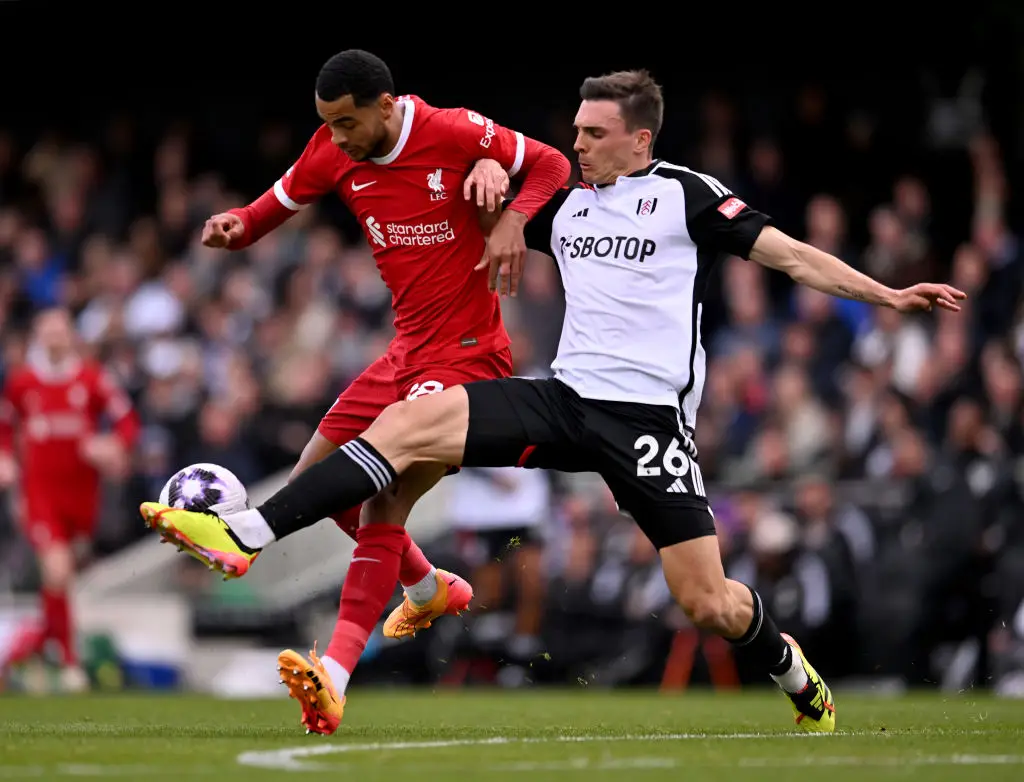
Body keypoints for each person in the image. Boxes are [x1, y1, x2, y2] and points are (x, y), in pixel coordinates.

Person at [142, 68, 967, 734]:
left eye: (594, 133)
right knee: (405, 427)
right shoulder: (565, 203)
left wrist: (886, 295)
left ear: (640, 139)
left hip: (647, 422)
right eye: (574, 129)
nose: (575, 143)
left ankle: (791, 670)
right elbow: (475, 192)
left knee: (706, 602)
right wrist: (492, 174)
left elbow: (789, 257)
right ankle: (249, 531)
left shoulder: (683, 195)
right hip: (566, 399)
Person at [146, 49, 569, 732]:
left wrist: (515, 216)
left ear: (385, 104)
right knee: (320, 481)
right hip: (402, 353)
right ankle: (427, 587)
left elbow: (551, 162)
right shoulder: (333, 149)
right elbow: (277, 202)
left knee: (381, 498)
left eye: (346, 122)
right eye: (328, 125)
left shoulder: (455, 132)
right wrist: (238, 225)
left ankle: (334, 671)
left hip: (465, 357)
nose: (337, 137)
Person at [0, 307, 139, 691]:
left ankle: (20, 652)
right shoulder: (23, 382)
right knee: (57, 572)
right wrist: (6, 459)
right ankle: (69, 662)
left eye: (61, 331)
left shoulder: (92, 379)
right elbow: (4, 424)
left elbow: (127, 420)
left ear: (71, 335)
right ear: (38, 337)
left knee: (59, 584)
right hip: (39, 494)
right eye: (48, 331)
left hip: (82, 497)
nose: (55, 338)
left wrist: (112, 444)